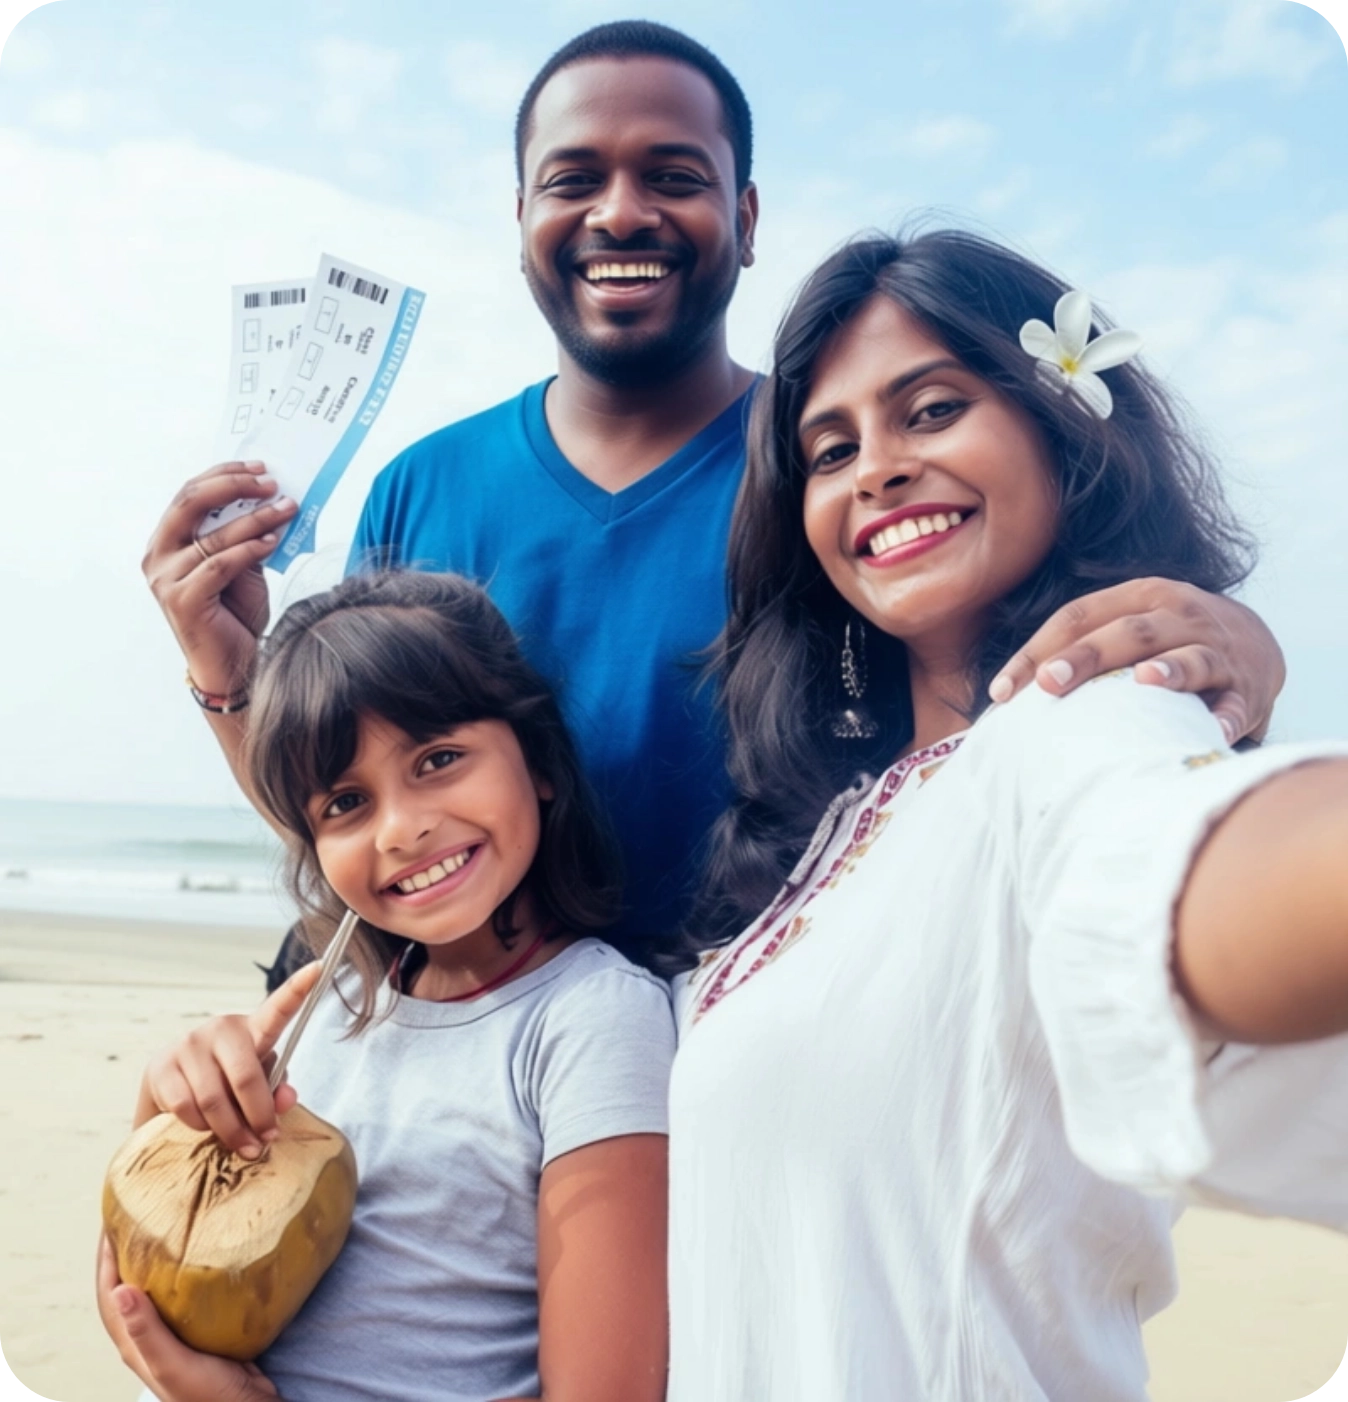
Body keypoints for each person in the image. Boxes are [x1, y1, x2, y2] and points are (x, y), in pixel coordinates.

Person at [141, 21, 1286, 965]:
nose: (622, 212)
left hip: (761, 1039)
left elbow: (1001, 724)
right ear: (523, 224)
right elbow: (371, 823)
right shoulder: (419, 487)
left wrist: (1229, 647)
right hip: (488, 1047)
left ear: (743, 222)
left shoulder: (837, 492)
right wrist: (229, 683)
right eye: (573, 180)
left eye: (674, 177)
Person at [665, 227, 1348, 1401]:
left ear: (1063, 429)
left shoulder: (1081, 724)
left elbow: (1173, 875)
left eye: (930, 410)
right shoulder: (832, 832)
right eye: (829, 450)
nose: (875, 466)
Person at [101, 571, 673, 1402]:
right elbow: (136, 1292)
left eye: (438, 760)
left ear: (539, 760)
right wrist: (165, 1107)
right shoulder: (324, 1010)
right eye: (345, 803)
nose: (403, 829)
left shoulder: (591, 1020)